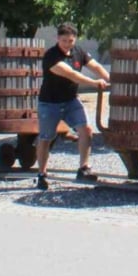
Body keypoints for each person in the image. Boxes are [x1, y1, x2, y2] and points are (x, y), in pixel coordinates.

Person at [34, 23, 110, 190]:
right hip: (50, 103)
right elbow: (73, 75)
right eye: (63, 40)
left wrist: (108, 78)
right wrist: (95, 83)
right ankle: (41, 174)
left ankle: (83, 168)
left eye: (70, 40)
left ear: (75, 39)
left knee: (86, 130)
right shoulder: (51, 56)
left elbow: (95, 66)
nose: (67, 44)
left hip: (71, 100)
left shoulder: (79, 51)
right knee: (46, 138)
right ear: (57, 39)